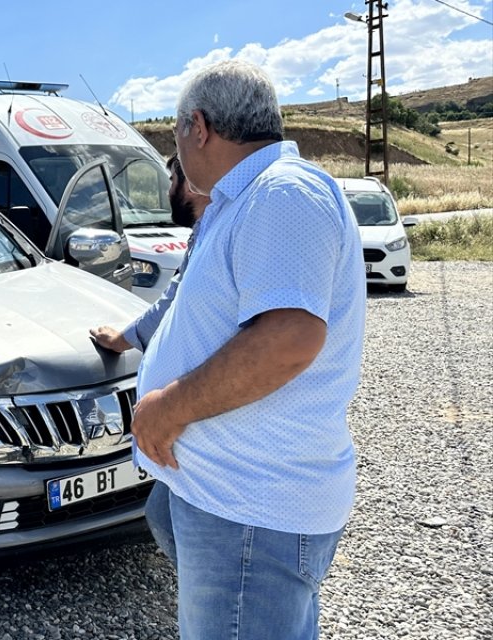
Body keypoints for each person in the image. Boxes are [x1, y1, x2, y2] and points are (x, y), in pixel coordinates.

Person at [131, 59, 365, 638]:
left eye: (177, 134)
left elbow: (287, 339)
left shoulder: (282, 193)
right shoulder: (242, 199)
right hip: (233, 503)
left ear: (199, 127)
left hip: (249, 512)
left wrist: (169, 409)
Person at [90, 155, 209, 353]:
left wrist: (121, 341)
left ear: (189, 186)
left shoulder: (211, 236)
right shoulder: (208, 230)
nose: (168, 192)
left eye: (172, 182)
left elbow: (173, 302)